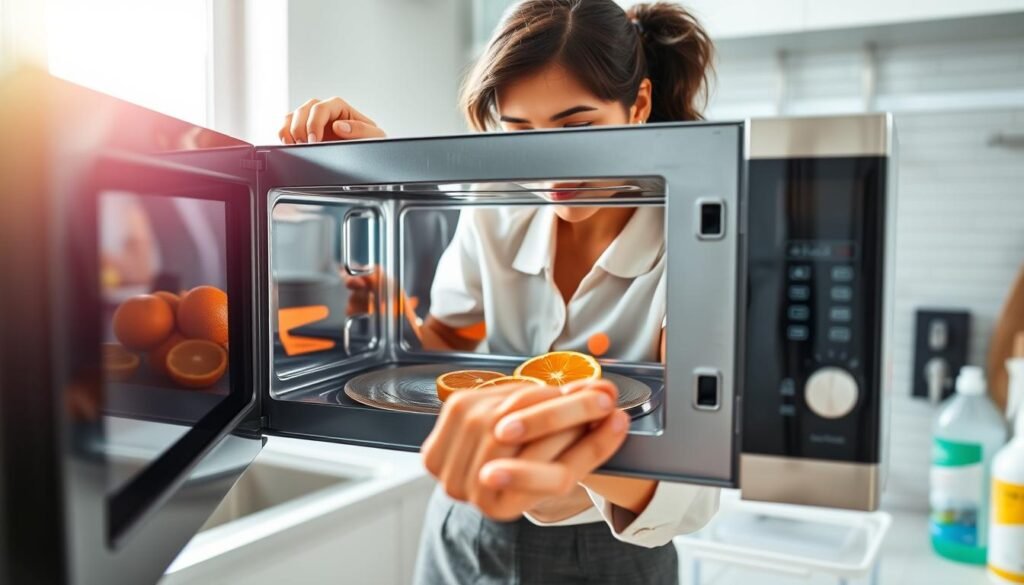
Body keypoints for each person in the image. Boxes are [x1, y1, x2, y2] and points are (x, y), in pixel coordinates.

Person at [280, 1, 719, 583]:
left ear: (637, 105)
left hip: (612, 551)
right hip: (465, 526)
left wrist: (547, 452)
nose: (550, 171)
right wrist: (394, 316)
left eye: (577, 128)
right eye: (520, 135)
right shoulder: (495, 215)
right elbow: (450, 345)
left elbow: (691, 484)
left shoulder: (694, 238)